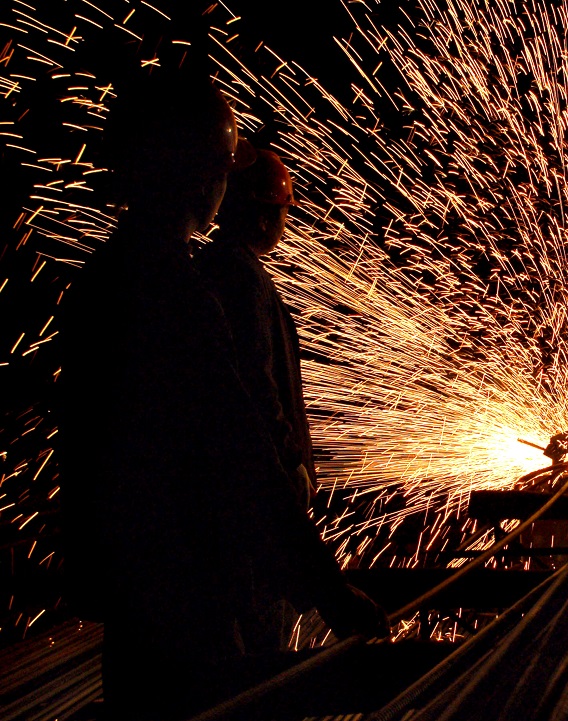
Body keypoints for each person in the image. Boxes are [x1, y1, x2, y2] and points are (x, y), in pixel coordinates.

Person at [54, 72, 387, 720]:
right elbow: (244, 451)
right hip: (187, 593)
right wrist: (329, 591)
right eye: (219, 171)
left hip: (132, 592)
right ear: (196, 173)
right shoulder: (176, 295)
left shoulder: (105, 279)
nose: (224, 188)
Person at [195, 145, 316, 653]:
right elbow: (258, 390)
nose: (285, 223)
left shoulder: (213, 269)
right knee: (261, 639)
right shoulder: (243, 280)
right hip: (257, 504)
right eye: (283, 212)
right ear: (265, 215)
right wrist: (291, 464)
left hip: (232, 502)